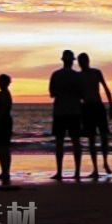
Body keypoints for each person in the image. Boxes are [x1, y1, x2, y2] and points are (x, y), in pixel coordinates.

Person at [76, 52, 112, 177]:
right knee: (91, 138)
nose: (82, 63)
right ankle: (95, 169)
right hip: (87, 107)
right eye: (80, 61)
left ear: (88, 61)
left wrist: (111, 106)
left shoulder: (96, 72)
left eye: (84, 60)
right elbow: (78, 95)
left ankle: (105, 162)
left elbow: (106, 89)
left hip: (98, 106)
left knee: (104, 136)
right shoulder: (78, 76)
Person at [48, 49, 84, 179]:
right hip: (74, 111)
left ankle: (59, 172)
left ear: (63, 60)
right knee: (76, 141)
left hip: (60, 111)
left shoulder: (56, 75)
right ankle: (77, 172)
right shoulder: (77, 76)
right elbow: (82, 94)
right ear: (72, 62)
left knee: (59, 142)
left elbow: (52, 93)